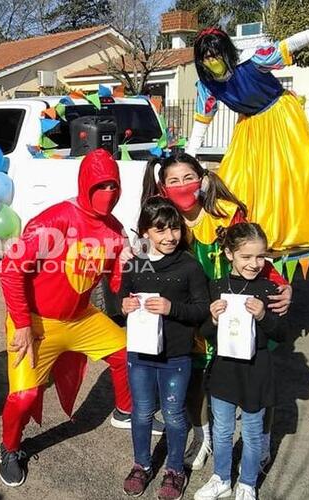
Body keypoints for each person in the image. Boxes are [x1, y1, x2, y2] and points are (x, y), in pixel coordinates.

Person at [141, 153, 291, 470]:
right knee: (196, 375)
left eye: (188, 178)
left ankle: (261, 441)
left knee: (256, 376)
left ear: (203, 179)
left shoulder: (226, 215)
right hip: (197, 309)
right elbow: (142, 260)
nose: (183, 186)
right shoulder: (167, 223)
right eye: (174, 181)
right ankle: (203, 436)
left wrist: (280, 284)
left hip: (238, 307)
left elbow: (253, 251)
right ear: (163, 187)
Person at [0, 148, 131, 487]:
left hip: (82, 318)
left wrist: (129, 271)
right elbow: (11, 270)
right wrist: (23, 324)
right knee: (24, 396)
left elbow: (116, 278)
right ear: (85, 184)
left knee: (128, 354)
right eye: (101, 186)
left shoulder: (114, 230)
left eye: (114, 186)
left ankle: (127, 411)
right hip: (36, 321)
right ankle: (10, 448)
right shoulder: (54, 220)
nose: (108, 194)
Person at [184, 5, 309, 250]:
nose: (212, 61)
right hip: (249, 125)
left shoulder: (253, 61)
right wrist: (188, 159)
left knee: (284, 177)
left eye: (216, 54)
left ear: (226, 53)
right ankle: (245, 233)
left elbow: (290, 44)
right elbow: (201, 122)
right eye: (206, 57)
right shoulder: (207, 86)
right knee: (236, 178)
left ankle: (285, 230)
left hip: (280, 116)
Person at [120, 197, 210, 499]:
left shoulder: (189, 266)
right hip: (140, 354)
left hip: (176, 355)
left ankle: (174, 470)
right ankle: (141, 465)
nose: (170, 236)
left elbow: (201, 309)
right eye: (160, 230)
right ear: (146, 232)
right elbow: (122, 297)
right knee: (142, 412)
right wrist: (126, 305)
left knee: (173, 413)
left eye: (174, 228)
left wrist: (172, 308)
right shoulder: (136, 262)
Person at [194, 223, 284, 500]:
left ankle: (247, 482)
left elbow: (282, 333)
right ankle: (221, 478)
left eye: (260, 257)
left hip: (256, 371)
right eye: (246, 257)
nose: (255, 263)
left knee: (253, 431)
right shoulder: (217, 287)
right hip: (224, 371)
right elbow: (205, 334)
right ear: (229, 254)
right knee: (221, 430)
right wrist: (211, 318)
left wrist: (263, 317)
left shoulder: (269, 289)